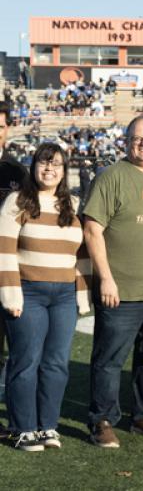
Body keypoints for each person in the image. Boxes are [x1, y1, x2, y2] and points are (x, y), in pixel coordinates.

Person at [84, 115, 143, 449]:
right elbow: (92, 229)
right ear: (126, 141)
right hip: (119, 288)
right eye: (138, 138)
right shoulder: (110, 176)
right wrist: (105, 278)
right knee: (110, 359)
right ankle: (102, 420)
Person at [0, 143, 91, 451]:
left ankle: (47, 426)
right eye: (43, 162)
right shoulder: (17, 201)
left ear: (65, 171)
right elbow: (4, 250)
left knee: (56, 363)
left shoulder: (73, 205)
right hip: (28, 293)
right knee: (26, 361)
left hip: (64, 295)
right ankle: (23, 428)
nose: (49, 169)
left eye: (56, 164)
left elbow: (82, 255)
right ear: (33, 165)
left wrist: (82, 294)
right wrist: (11, 294)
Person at [0, 101, 27, 436]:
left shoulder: (17, 171)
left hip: (9, 271)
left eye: (1, 125)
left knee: (13, 346)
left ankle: (13, 415)